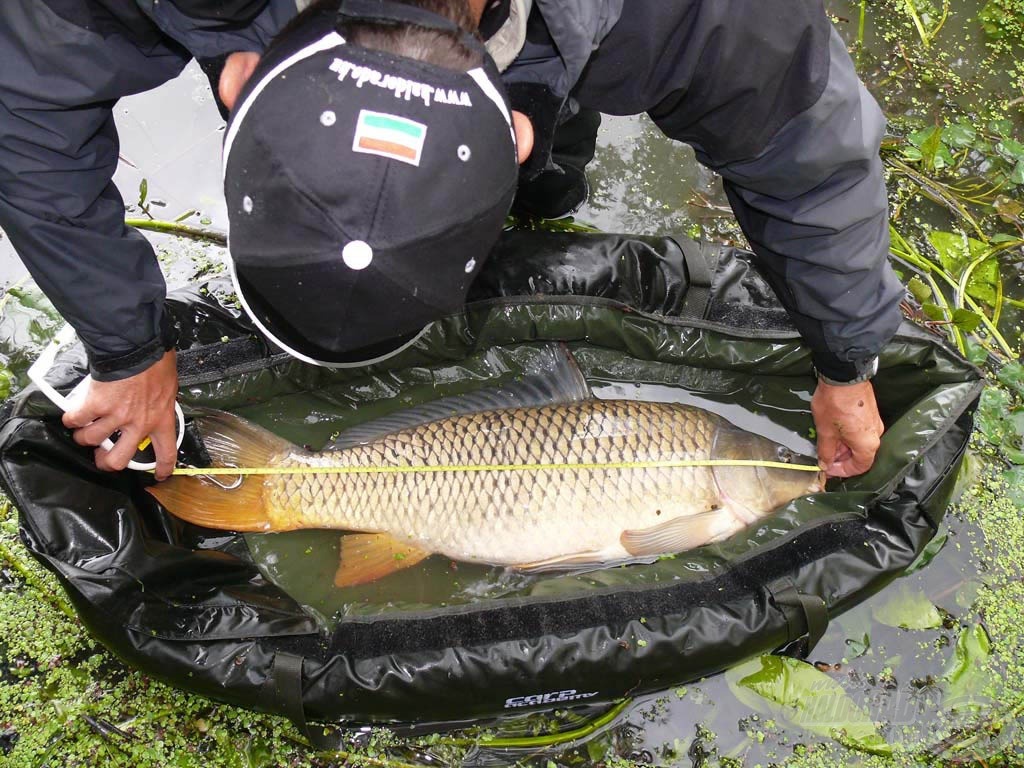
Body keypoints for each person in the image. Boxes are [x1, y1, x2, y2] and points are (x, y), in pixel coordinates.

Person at [0, 0, 902, 483]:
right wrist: (127, 343)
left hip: (560, 38)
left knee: (567, 116)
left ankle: (543, 177)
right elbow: (22, 104)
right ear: (242, 72)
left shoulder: (700, 17)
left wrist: (845, 358)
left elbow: (806, 150)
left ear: (511, 132)